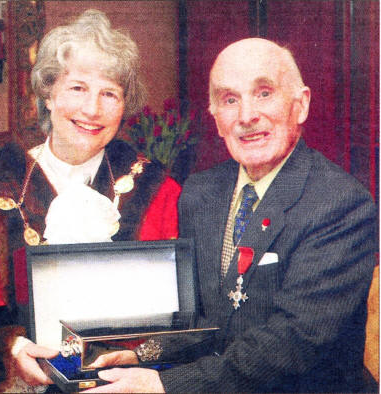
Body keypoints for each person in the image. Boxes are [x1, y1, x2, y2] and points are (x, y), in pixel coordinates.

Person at [80, 38, 377, 393]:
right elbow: (205, 319)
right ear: (217, 119)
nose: (247, 116)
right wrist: (143, 355)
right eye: (230, 99)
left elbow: (292, 343)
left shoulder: (341, 204)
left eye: (264, 93)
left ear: (301, 105)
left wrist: (164, 384)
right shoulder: (201, 192)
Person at [0, 10, 181, 393]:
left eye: (109, 93)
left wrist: (139, 359)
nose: (92, 110)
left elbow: (179, 323)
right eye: (77, 88)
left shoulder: (158, 192)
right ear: (47, 94)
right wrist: (10, 348)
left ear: (123, 106)